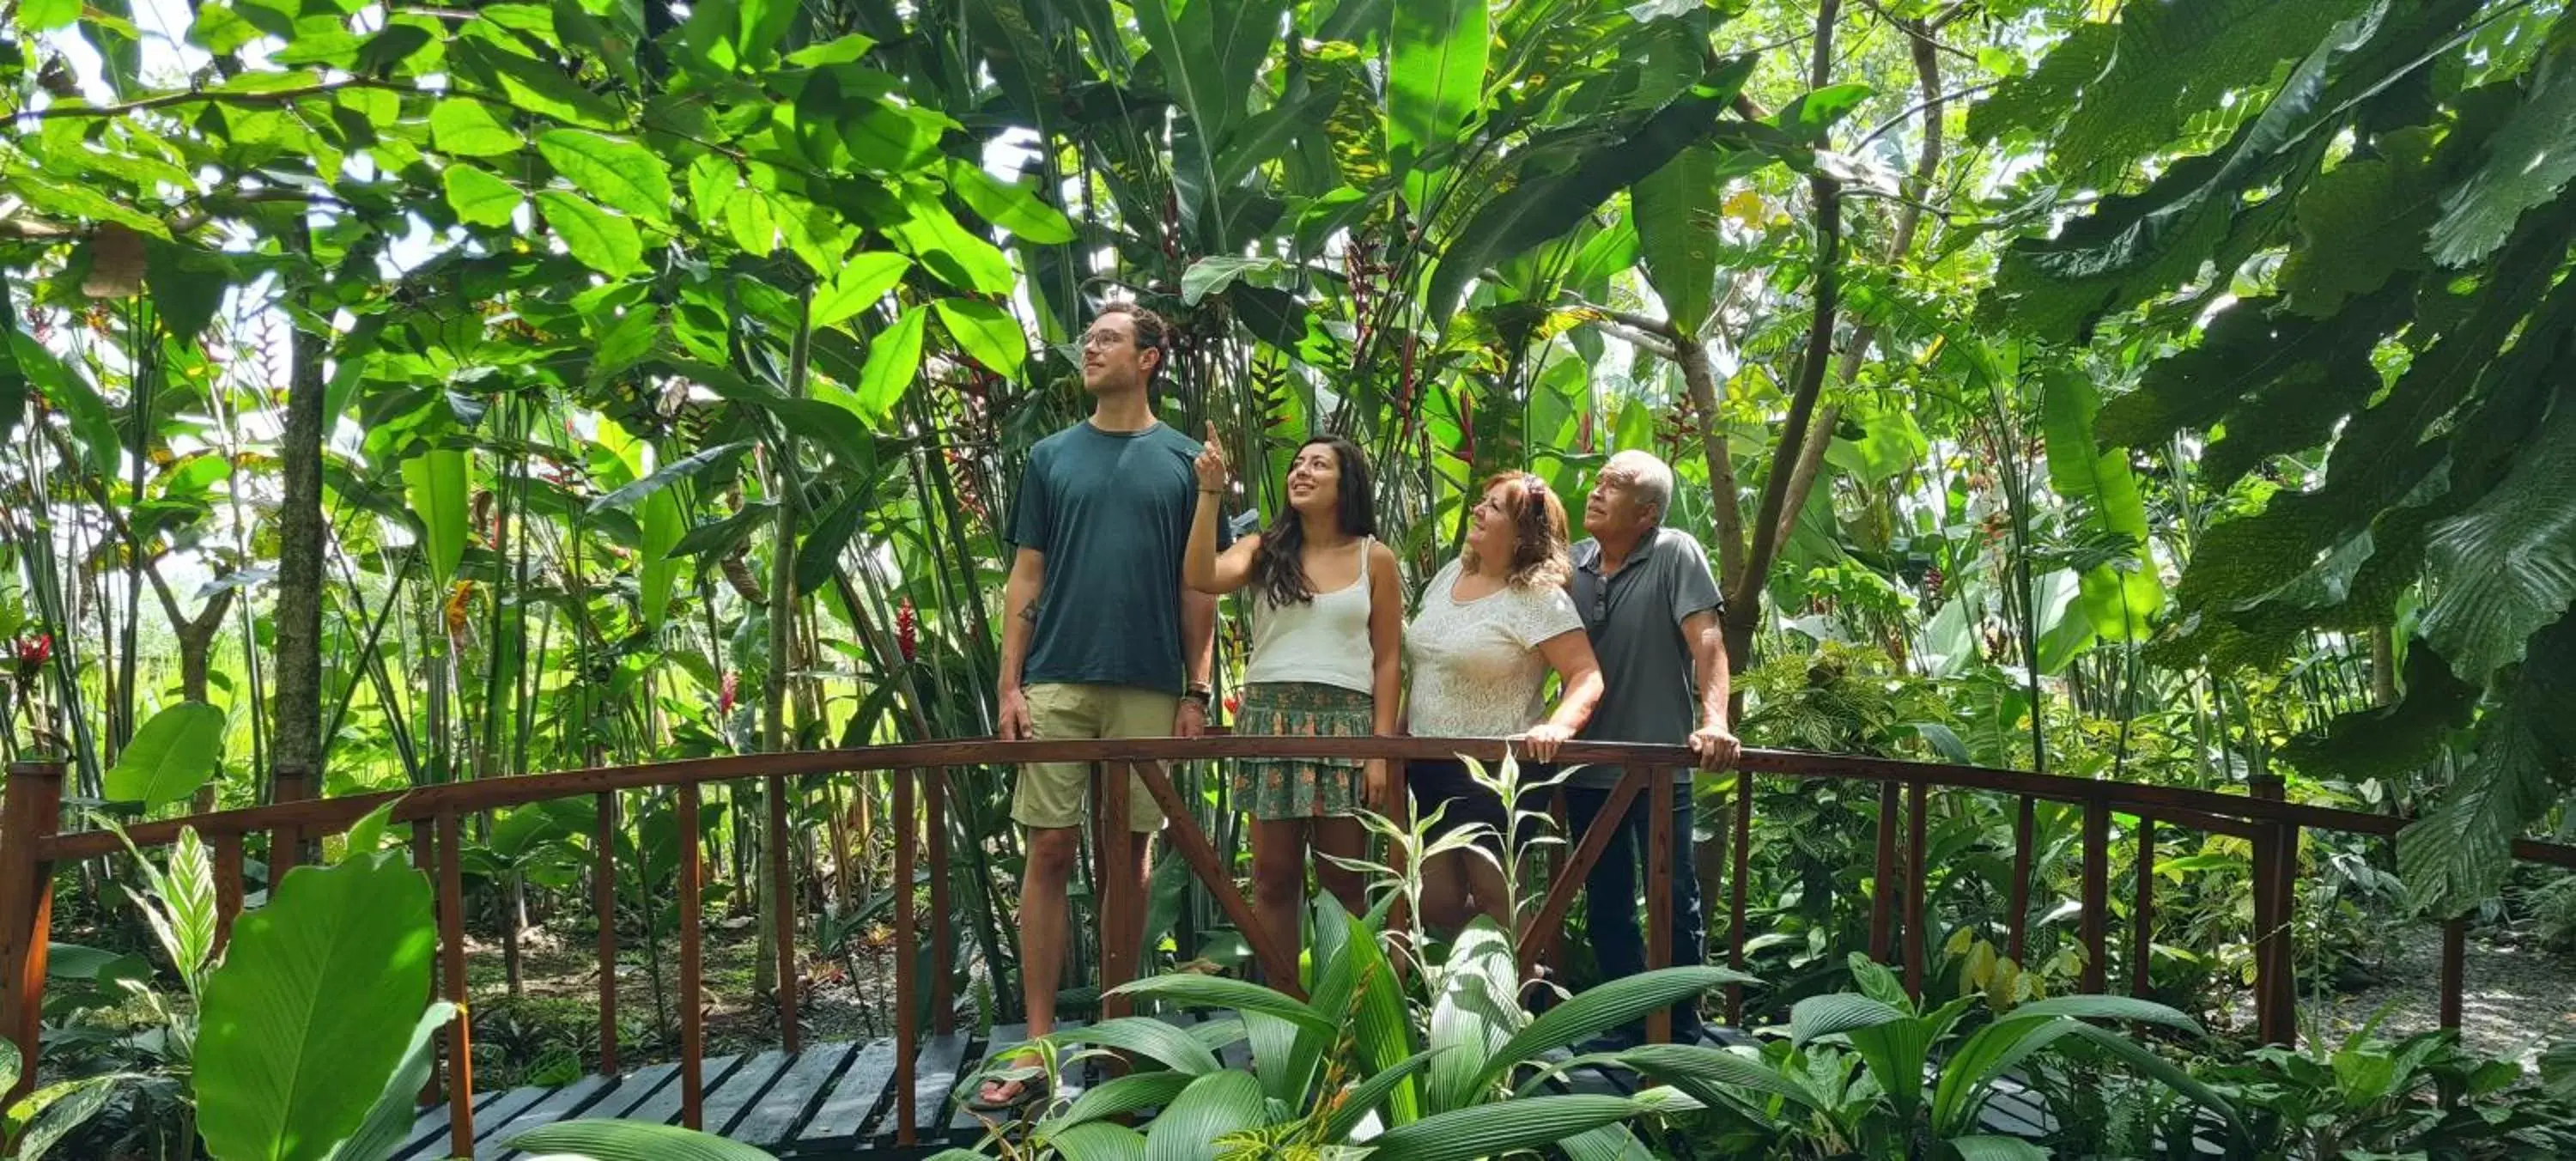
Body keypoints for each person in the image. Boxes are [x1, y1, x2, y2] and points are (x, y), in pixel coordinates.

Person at [973, 303, 1222, 1110]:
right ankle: (1039, 1048)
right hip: (1058, 679)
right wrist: (1010, 686)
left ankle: (1117, 1042)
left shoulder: (1187, 462)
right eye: (1091, 337)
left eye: (1110, 338)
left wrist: (1197, 690)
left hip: (1151, 682)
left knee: (1132, 857)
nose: (1091, 345)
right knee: (1048, 851)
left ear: (1150, 358)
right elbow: (1027, 577)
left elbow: (1199, 590)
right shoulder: (1049, 457)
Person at [1183, 429, 1403, 966]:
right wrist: (1209, 494)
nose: (1301, 472)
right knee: (1272, 880)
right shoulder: (1263, 549)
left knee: (1344, 887)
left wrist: (1380, 749)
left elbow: (1389, 660)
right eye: (1297, 464)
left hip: (1345, 726)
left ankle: (1343, 1025)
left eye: (1318, 465)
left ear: (1346, 481)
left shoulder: (1376, 558)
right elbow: (1201, 575)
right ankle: (1281, 1022)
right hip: (1270, 721)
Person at [1566, 450, 1741, 1047]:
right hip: (1587, 770)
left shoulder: (1674, 552)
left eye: (1611, 486)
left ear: (1646, 514)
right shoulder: (1572, 564)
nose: (1594, 492)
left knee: (1673, 898)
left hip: (1659, 768)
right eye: (1597, 482)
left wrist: (1714, 720)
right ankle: (1628, 1024)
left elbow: (1708, 638)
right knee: (1606, 901)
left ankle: (1680, 1028)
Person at [1404, 472, 1606, 933]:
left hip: (1497, 770)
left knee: (1496, 892)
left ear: (1523, 534)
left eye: (1494, 507)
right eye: (1483, 501)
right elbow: (1426, 668)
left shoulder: (1538, 597)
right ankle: (1498, 978)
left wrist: (1558, 726)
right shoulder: (1449, 575)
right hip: (1427, 762)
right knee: (1436, 902)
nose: (1478, 509)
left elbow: (1585, 674)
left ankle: (1519, 990)